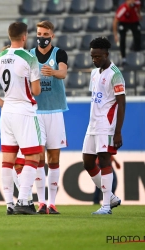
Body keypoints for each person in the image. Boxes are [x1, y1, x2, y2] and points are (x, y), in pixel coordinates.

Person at [0, 21, 42, 215]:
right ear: (24, 37)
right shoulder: (29, 57)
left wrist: (4, 104)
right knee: (33, 155)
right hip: (24, 110)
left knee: (8, 160)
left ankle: (9, 204)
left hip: (7, 112)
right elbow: (36, 90)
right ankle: (24, 200)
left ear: (10, 36)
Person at [13, 20, 68, 215]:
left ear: (52, 36)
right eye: (39, 34)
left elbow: (63, 73)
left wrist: (52, 72)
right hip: (36, 112)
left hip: (55, 111)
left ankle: (52, 203)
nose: (42, 38)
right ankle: (41, 202)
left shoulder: (59, 53)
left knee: (54, 158)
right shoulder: (29, 56)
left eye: (45, 34)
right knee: (38, 158)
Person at [83, 37, 126, 215]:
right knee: (87, 162)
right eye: (92, 56)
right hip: (92, 124)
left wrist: (118, 132)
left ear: (107, 54)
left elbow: (122, 104)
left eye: (98, 56)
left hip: (106, 124)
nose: (95, 60)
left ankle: (106, 205)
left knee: (105, 159)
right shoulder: (94, 73)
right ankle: (111, 197)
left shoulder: (115, 74)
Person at [113, 0, 142, 65]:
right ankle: (123, 58)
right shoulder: (123, 8)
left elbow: (139, 6)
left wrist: (139, 14)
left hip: (134, 21)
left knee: (137, 35)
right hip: (124, 23)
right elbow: (115, 21)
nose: (132, 2)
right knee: (122, 39)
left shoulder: (137, 3)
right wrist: (115, 35)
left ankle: (137, 52)